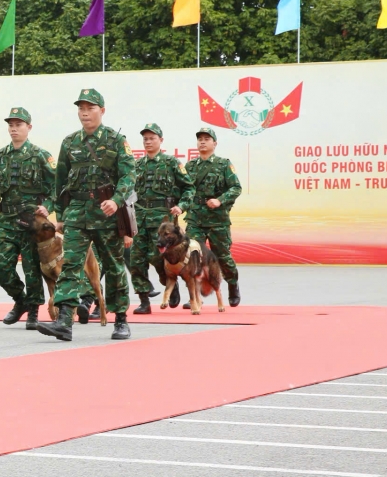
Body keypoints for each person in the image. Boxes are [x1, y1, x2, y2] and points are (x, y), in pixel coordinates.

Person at [37, 89, 135, 342]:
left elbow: (129, 175)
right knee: (70, 265)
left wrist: (116, 200)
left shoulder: (116, 140)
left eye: (90, 107)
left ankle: (121, 319)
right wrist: (60, 214)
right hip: (77, 214)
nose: (84, 112)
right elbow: (60, 180)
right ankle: (64, 321)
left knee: (113, 266)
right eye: (81, 107)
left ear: (101, 111)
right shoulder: (69, 142)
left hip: (107, 214)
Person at [0, 106, 56, 330]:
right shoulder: (0, 156)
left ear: (29, 127)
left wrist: (47, 206)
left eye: (19, 125)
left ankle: (33, 310)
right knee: (1, 265)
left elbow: (56, 186)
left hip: (31, 222)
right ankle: (20, 299)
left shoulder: (41, 156)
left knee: (32, 267)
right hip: (6, 219)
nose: (14, 129)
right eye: (11, 125)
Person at [130, 124, 195, 314]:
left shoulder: (171, 163)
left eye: (152, 138)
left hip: (162, 221)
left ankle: (170, 285)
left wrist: (181, 206)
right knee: (136, 260)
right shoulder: (137, 165)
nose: (148, 142)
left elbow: (189, 188)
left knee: (158, 259)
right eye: (145, 139)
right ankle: (143, 301)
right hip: (140, 218)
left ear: (161, 140)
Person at [184, 127, 242, 307]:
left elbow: (235, 188)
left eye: (206, 139)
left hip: (217, 219)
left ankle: (232, 283)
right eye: (200, 138)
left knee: (222, 256)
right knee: (193, 255)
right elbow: (183, 189)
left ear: (214, 143)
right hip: (195, 218)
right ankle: (195, 296)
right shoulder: (190, 166)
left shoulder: (223, 164)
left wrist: (220, 200)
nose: (202, 141)